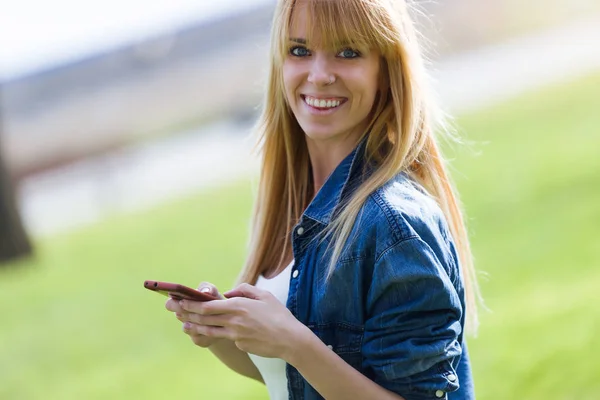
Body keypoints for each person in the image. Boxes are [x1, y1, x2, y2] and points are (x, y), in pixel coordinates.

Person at [165, 0, 480, 399]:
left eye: (347, 52)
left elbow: (306, 359)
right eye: (300, 51)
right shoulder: (299, 204)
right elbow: (291, 377)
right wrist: (222, 332)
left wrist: (295, 343)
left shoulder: (393, 224)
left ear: (385, 70)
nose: (319, 75)